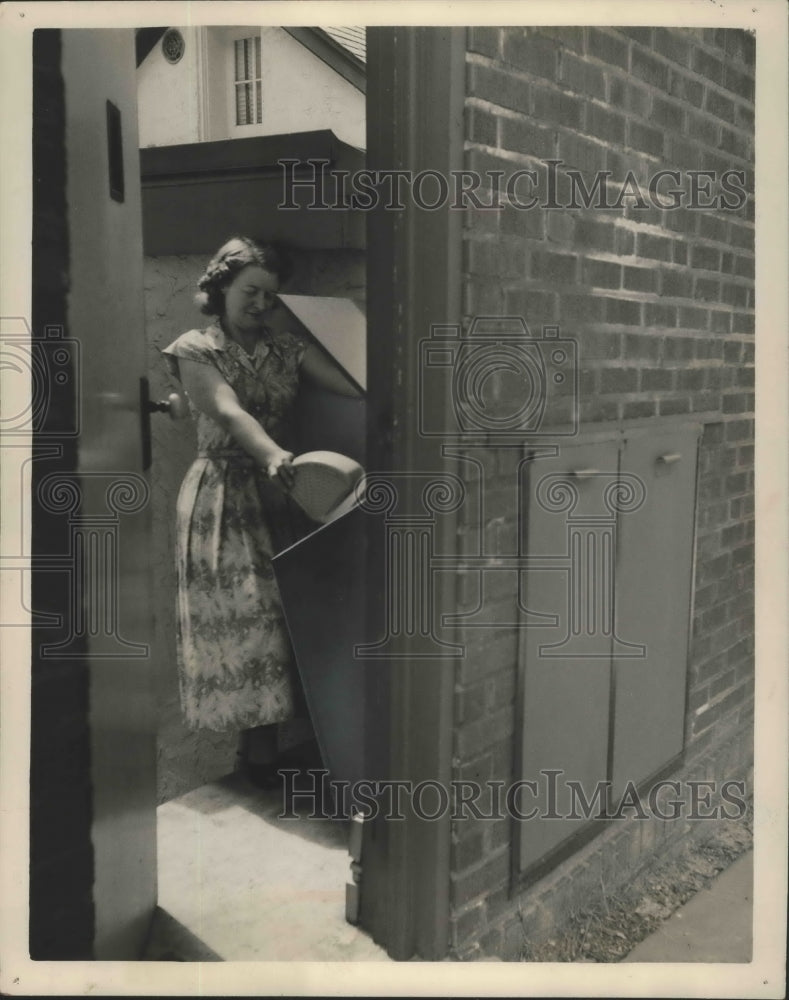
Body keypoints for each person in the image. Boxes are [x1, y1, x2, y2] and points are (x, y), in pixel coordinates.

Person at [162, 236, 358, 788]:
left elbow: (352, 385)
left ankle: (264, 765)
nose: (259, 305)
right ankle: (255, 769)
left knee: (285, 624)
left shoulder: (289, 349)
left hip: (285, 491)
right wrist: (271, 452)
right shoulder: (195, 349)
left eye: (270, 296)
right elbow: (228, 411)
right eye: (250, 291)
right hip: (223, 496)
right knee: (246, 625)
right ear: (221, 286)